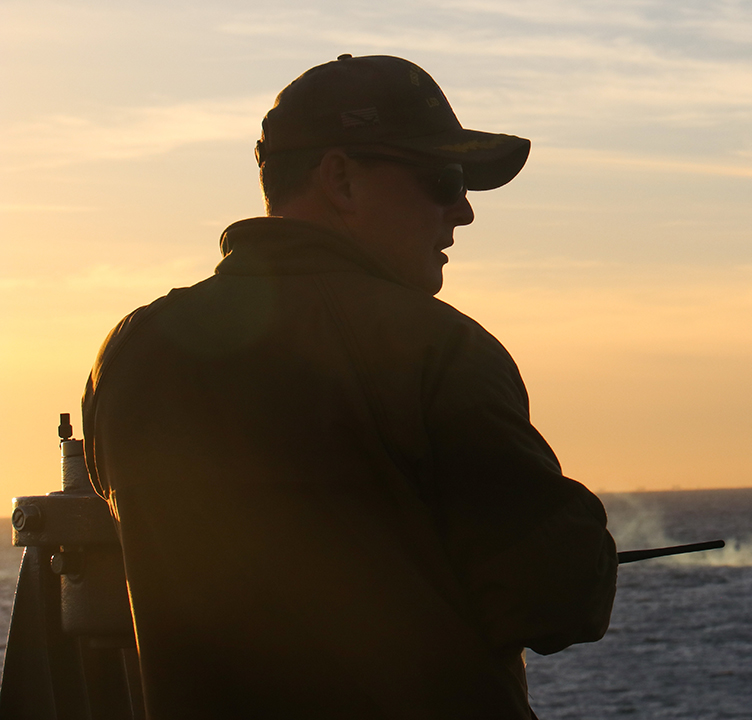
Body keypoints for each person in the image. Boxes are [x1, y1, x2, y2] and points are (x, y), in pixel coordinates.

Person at [81, 54, 617, 719]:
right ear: (340, 178)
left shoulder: (133, 351)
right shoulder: (435, 348)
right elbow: (555, 601)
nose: (463, 211)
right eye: (443, 179)